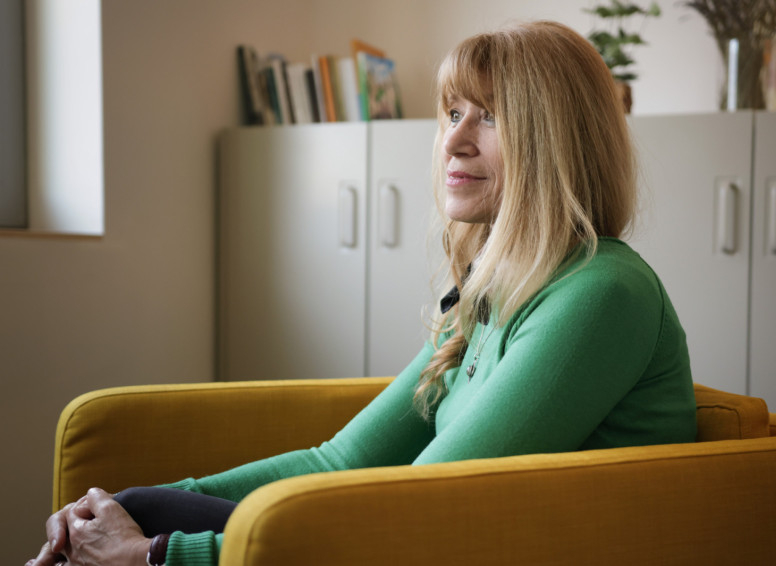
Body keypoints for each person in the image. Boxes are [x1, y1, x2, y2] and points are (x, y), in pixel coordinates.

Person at [28, 20, 696, 566]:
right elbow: (341, 461)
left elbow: (416, 508)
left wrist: (157, 555)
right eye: (453, 113)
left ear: (557, 142)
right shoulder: (493, 291)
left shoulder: (602, 294)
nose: (453, 141)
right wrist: (120, 509)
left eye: (489, 117)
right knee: (135, 511)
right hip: (432, 540)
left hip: (468, 546)